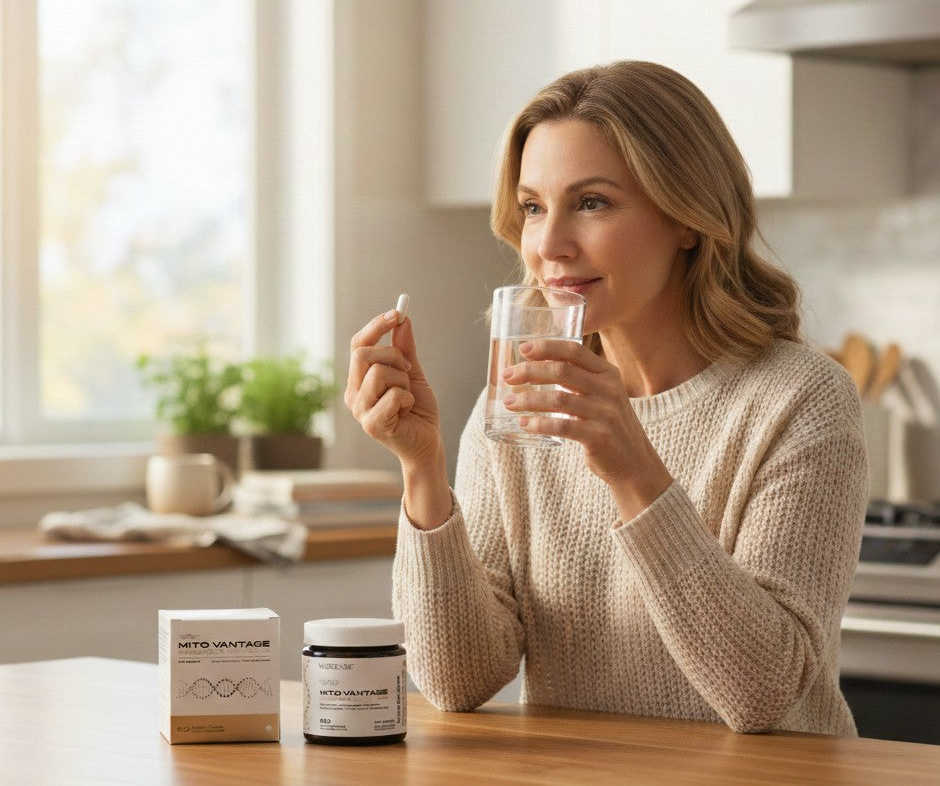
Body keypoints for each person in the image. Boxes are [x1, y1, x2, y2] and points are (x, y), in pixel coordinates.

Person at [345, 60, 868, 735]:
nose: (549, 245)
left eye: (591, 202)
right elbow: (457, 679)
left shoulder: (801, 399)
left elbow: (763, 694)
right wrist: (422, 470)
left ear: (687, 217)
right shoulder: (524, 400)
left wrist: (632, 470)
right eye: (533, 207)